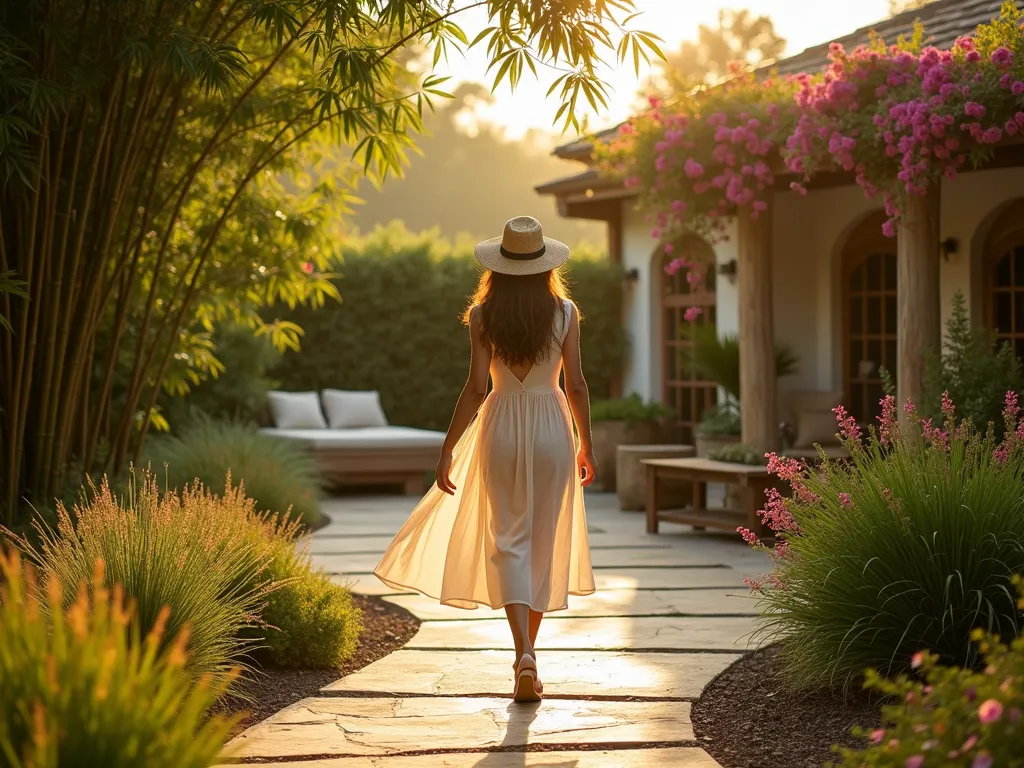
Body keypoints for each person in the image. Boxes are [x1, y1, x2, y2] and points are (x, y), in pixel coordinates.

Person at [374, 215, 597, 703]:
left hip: (500, 428)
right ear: (545, 265)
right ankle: (530, 657)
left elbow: (477, 388)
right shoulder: (565, 312)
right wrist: (586, 444)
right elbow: (576, 384)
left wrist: (447, 446)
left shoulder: (482, 315)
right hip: (551, 429)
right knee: (542, 542)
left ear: (499, 267)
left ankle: (523, 654)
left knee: (508, 541)